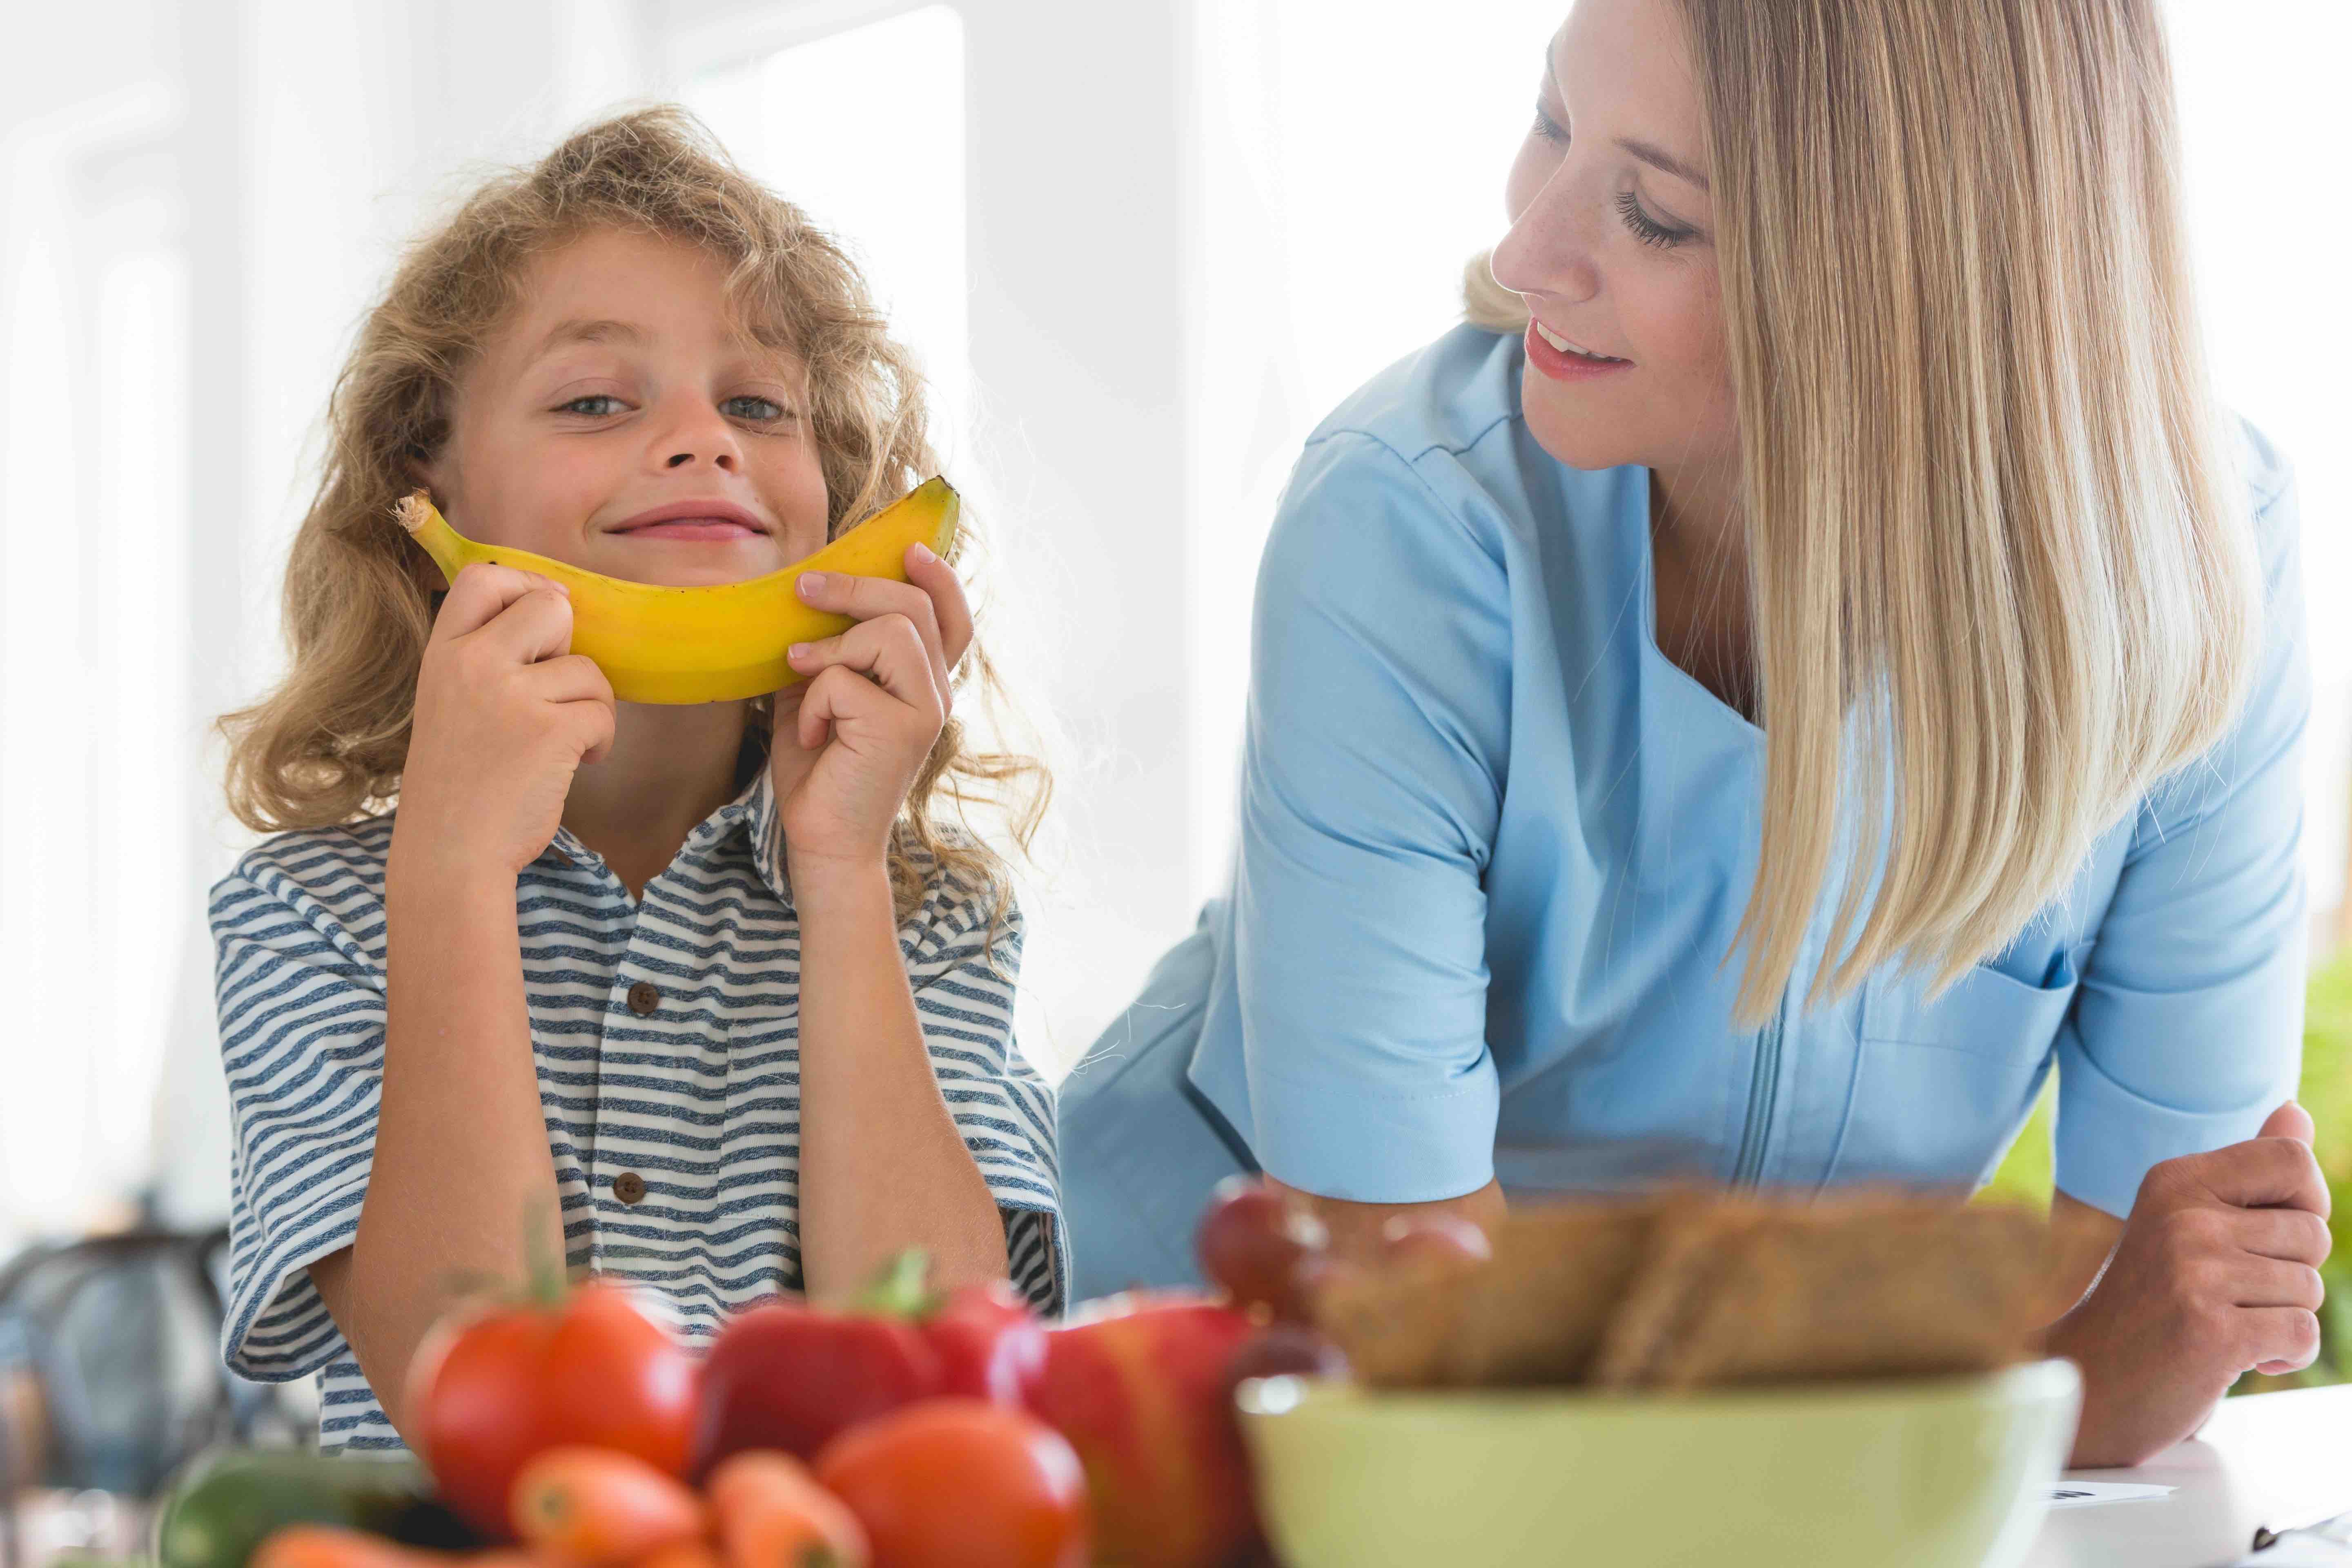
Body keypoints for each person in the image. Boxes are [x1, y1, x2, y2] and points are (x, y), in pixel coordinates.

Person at [1061, 0, 2328, 1467]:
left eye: (1657, 215)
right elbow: (1425, 1341)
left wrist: (2090, 1377)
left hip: (1723, 1463)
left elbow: (2172, 1303)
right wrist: (2061, 1387)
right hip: (1205, 1400)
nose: (1525, 251)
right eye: (1550, 120)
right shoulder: (1409, 522)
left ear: (1905, 285)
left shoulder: (2197, 566)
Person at [209, 108, 1061, 1452]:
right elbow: (462, 1378)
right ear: (427, 482)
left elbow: (945, 1390)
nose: (701, 441)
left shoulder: (930, 912)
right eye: (597, 400)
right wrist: (448, 870)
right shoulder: (308, 916)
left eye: (759, 404)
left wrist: (840, 875)